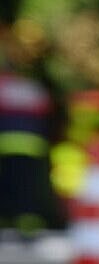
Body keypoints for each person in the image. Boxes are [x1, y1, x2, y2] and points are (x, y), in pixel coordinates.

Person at [0, 70, 54, 234]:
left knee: (7, 185)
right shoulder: (32, 88)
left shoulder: (4, 86)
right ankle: (28, 224)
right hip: (33, 148)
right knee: (28, 188)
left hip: (6, 146)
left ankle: (7, 220)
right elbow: (46, 110)